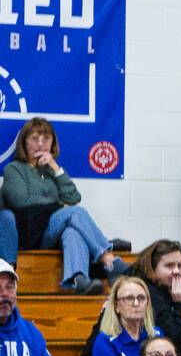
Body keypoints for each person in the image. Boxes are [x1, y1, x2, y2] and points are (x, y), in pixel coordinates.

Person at [3, 117, 124, 293]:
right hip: (29, 232)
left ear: (52, 144)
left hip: (50, 232)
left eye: (46, 139)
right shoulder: (14, 169)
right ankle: (110, 261)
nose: (40, 144)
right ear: (24, 143)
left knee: (72, 231)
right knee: (74, 213)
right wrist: (59, 206)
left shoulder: (51, 171)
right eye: (34, 138)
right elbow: (21, 201)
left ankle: (79, 280)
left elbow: (74, 197)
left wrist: (55, 167)